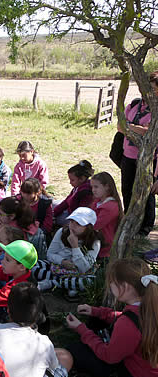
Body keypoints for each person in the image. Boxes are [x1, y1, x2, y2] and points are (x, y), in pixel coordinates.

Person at [57, 257, 158, 377]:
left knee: (75, 350)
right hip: (145, 364)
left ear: (125, 287)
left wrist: (82, 330)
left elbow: (110, 357)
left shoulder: (127, 324)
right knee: (96, 320)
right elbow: (128, 318)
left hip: (131, 371)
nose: (110, 285)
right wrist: (96, 312)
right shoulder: (151, 304)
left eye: (112, 282)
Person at [0, 282, 67, 377]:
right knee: (65, 357)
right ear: (38, 315)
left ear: (8, 310)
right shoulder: (44, 343)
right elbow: (54, 368)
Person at [119, 71, 158, 236]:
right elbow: (120, 127)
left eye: (154, 89)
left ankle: (145, 228)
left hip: (149, 158)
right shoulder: (135, 104)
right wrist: (136, 128)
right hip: (128, 155)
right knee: (127, 190)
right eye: (146, 87)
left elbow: (150, 132)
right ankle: (129, 221)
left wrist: (129, 125)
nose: (148, 91)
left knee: (145, 193)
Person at [34, 207, 101, 297]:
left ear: (88, 227)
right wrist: (62, 261)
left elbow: (84, 268)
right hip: (57, 268)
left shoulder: (95, 242)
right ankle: (67, 285)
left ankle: (52, 283)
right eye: (72, 221)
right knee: (33, 266)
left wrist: (75, 247)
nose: (73, 226)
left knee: (88, 282)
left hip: (79, 274)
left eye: (78, 224)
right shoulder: (62, 232)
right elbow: (50, 254)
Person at [90, 172, 123, 259]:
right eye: (92, 187)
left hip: (104, 246)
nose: (93, 190)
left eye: (96, 187)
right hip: (94, 241)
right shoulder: (97, 202)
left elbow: (95, 225)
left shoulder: (110, 207)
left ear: (107, 187)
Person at [53, 160, 94, 226]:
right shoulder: (77, 187)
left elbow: (81, 214)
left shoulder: (85, 192)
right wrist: (55, 212)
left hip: (75, 218)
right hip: (69, 211)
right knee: (53, 204)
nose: (70, 182)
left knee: (59, 219)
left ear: (82, 179)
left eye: (72, 180)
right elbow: (66, 201)